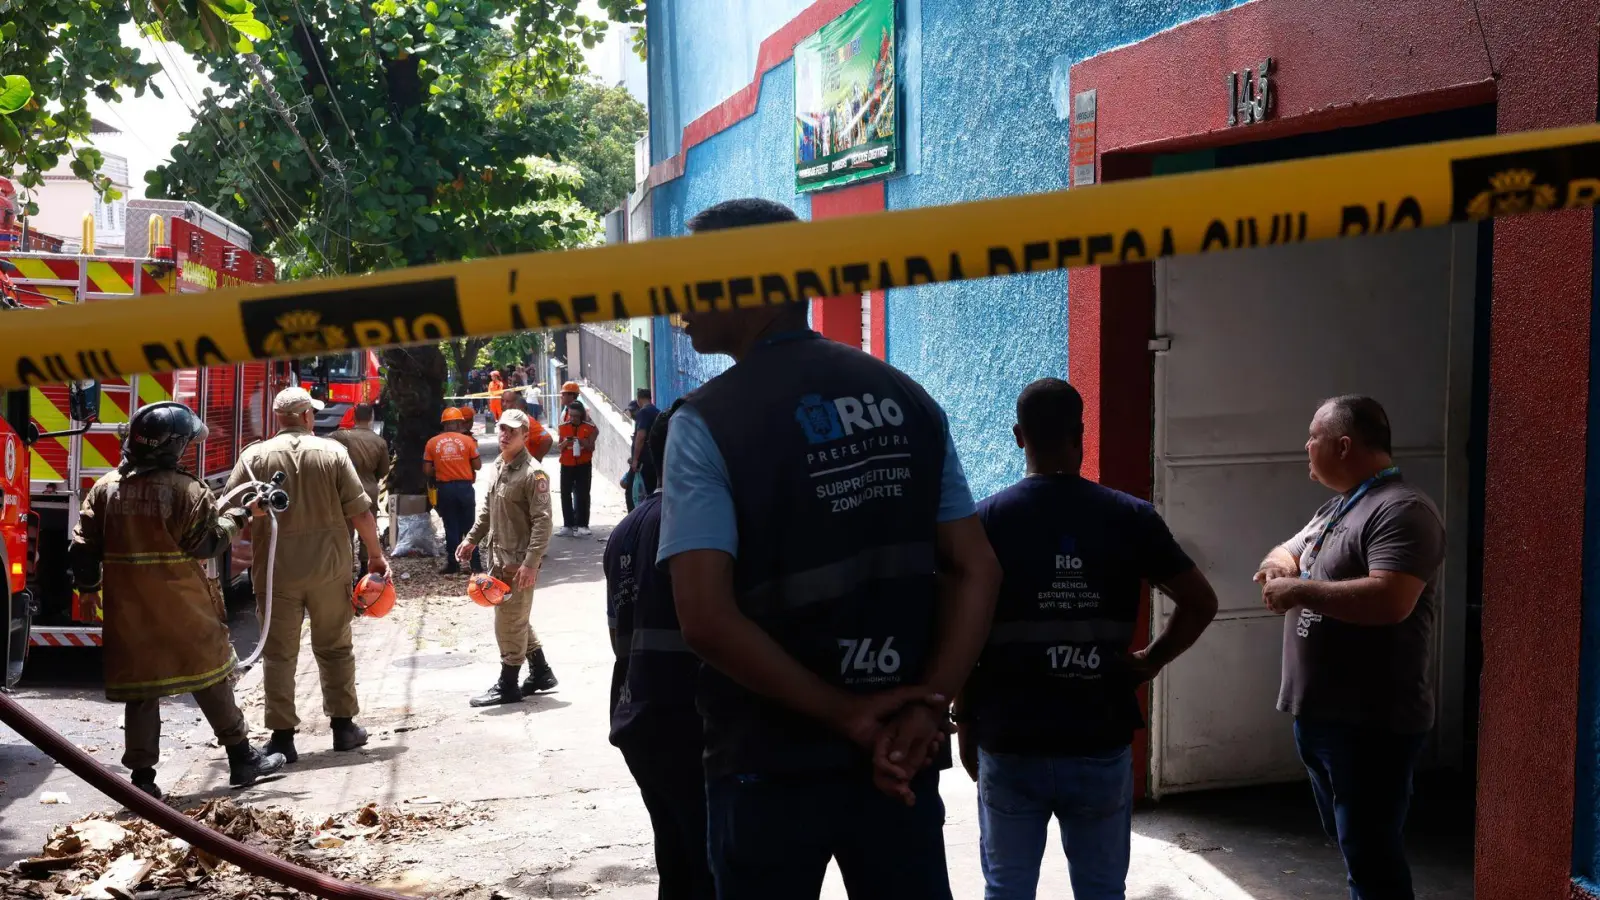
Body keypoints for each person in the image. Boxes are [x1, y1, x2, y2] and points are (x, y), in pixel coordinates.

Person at [658, 197, 1001, 899]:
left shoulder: (706, 422)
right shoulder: (906, 398)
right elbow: (977, 569)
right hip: (901, 757)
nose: (679, 301)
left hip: (769, 764)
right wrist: (926, 706)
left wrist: (847, 715)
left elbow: (704, 618)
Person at [961, 379, 1219, 900]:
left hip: (1011, 738)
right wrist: (1150, 660)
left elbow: (964, 632)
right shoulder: (1130, 518)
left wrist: (965, 721)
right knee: (1102, 890)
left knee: (1006, 889)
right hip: (1098, 736)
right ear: (1080, 433)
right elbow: (1200, 602)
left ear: (1018, 436)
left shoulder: (987, 520)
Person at [1254, 395, 1444, 900]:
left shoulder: (1401, 510)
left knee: (1371, 855)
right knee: (1354, 844)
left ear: (1342, 445)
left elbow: (1391, 599)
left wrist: (1297, 590)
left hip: (1370, 722)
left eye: (1313, 437)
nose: (1305, 446)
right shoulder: (1340, 505)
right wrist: (1280, 566)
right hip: (1322, 716)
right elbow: (1289, 549)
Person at [69, 402, 286, 799]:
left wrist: (87, 590)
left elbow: (82, 548)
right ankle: (242, 758)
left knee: (141, 690)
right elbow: (207, 543)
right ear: (172, 447)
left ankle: (143, 782)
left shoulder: (106, 489)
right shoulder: (187, 490)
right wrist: (240, 516)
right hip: (184, 607)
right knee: (210, 678)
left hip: (128, 611)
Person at [225, 387, 388, 762]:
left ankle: (282, 739)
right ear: (307, 417)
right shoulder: (333, 453)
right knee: (334, 647)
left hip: (276, 573)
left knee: (279, 654)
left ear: (279, 419)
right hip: (329, 569)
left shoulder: (253, 457)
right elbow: (360, 512)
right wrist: (375, 557)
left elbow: (233, 511)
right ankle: (344, 728)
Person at [606, 403, 713, 900]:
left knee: (676, 858)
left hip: (638, 717)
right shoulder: (702, 519)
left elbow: (617, 633)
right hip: (688, 719)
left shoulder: (628, 528)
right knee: (709, 865)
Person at [459, 409, 559, 706]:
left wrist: (531, 563)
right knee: (515, 617)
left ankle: (508, 684)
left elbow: (543, 522)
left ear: (525, 436)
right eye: (502, 430)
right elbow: (488, 511)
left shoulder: (534, 473)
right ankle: (541, 672)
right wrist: (471, 539)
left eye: (511, 432)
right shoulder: (500, 465)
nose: (504, 436)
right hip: (498, 558)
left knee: (508, 622)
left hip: (518, 563)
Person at [330, 403, 391, 579]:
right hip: (369, 489)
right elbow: (383, 471)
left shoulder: (341, 437)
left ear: (354, 417)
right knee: (368, 528)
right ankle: (365, 568)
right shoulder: (379, 442)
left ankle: (346, 568)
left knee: (345, 530)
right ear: (371, 417)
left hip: (344, 490)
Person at [425, 407, 482, 575]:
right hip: (465, 488)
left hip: (445, 488)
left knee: (451, 526)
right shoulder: (468, 441)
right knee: (470, 527)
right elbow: (477, 465)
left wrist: (442, 469)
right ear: (459, 423)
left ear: (444, 424)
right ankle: (475, 564)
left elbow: (427, 470)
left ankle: (452, 564)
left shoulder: (432, 443)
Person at [556, 402, 598, 538]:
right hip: (567, 464)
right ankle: (567, 525)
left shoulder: (589, 428)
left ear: (581, 415)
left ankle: (582, 525)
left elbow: (591, 447)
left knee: (583, 493)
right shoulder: (563, 427)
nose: (572, 418)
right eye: (571, 415)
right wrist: (565, 443)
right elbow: (559, 447)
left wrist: (582, 441)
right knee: (565, 494)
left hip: (583, 464)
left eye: (575, 416)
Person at [622, 388, 659, 513]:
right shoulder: (656, 411)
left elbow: (641, 436)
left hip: (642, 463)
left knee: (632, 496)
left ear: (639, 400)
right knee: (650, 493)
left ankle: (634, 524)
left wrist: (635, 459)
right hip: (653, 461)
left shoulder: (643, 412)